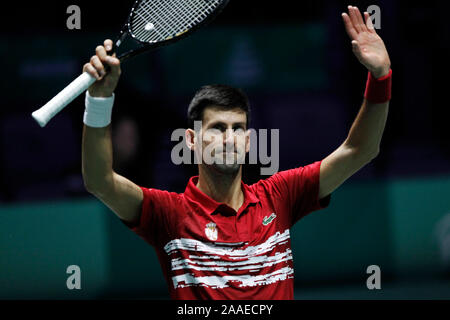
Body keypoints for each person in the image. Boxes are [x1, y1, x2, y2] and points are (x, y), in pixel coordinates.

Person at [82, 6, 392, 300]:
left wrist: (380, 77)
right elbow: (100, 181)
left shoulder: (279, 196)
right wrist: (99, 101)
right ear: (191, 140)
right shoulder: (170, 213)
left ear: (248, 142)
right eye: (217, 128)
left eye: (238, 129)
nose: (229, 138)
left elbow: (359, 150)